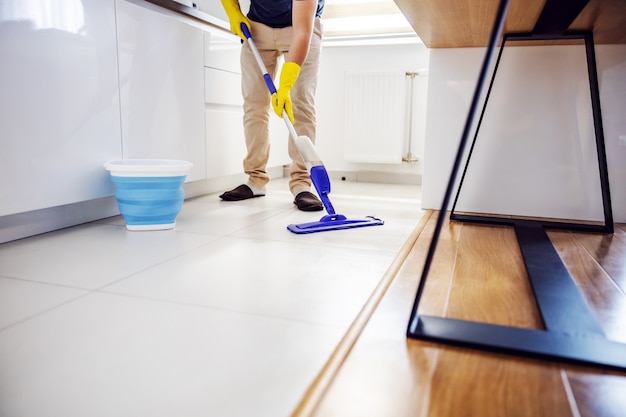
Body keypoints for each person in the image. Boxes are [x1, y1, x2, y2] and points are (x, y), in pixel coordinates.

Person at [219, 0, 325, 211]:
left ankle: (302, 184)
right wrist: (232, 11)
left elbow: (303, 32)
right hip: (257, 27)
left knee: (300, 103)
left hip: (301, 27)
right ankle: (255, 180)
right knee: (254, 104)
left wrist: (285, 86)